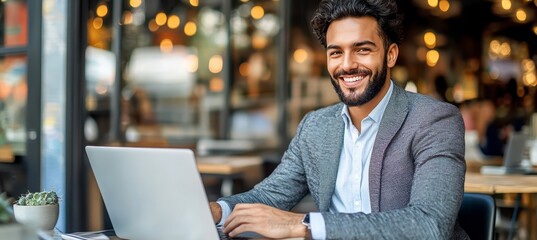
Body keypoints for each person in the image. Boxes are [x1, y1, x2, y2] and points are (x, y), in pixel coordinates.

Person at [209, 0, 467, 239]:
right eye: (335, 53)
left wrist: (303, 225)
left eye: (362, 50)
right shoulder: (316, 127)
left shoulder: (434, 120)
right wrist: (219, 211)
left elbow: (430, 224)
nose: (347, 65)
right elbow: (271, 195)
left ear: (390, 55)